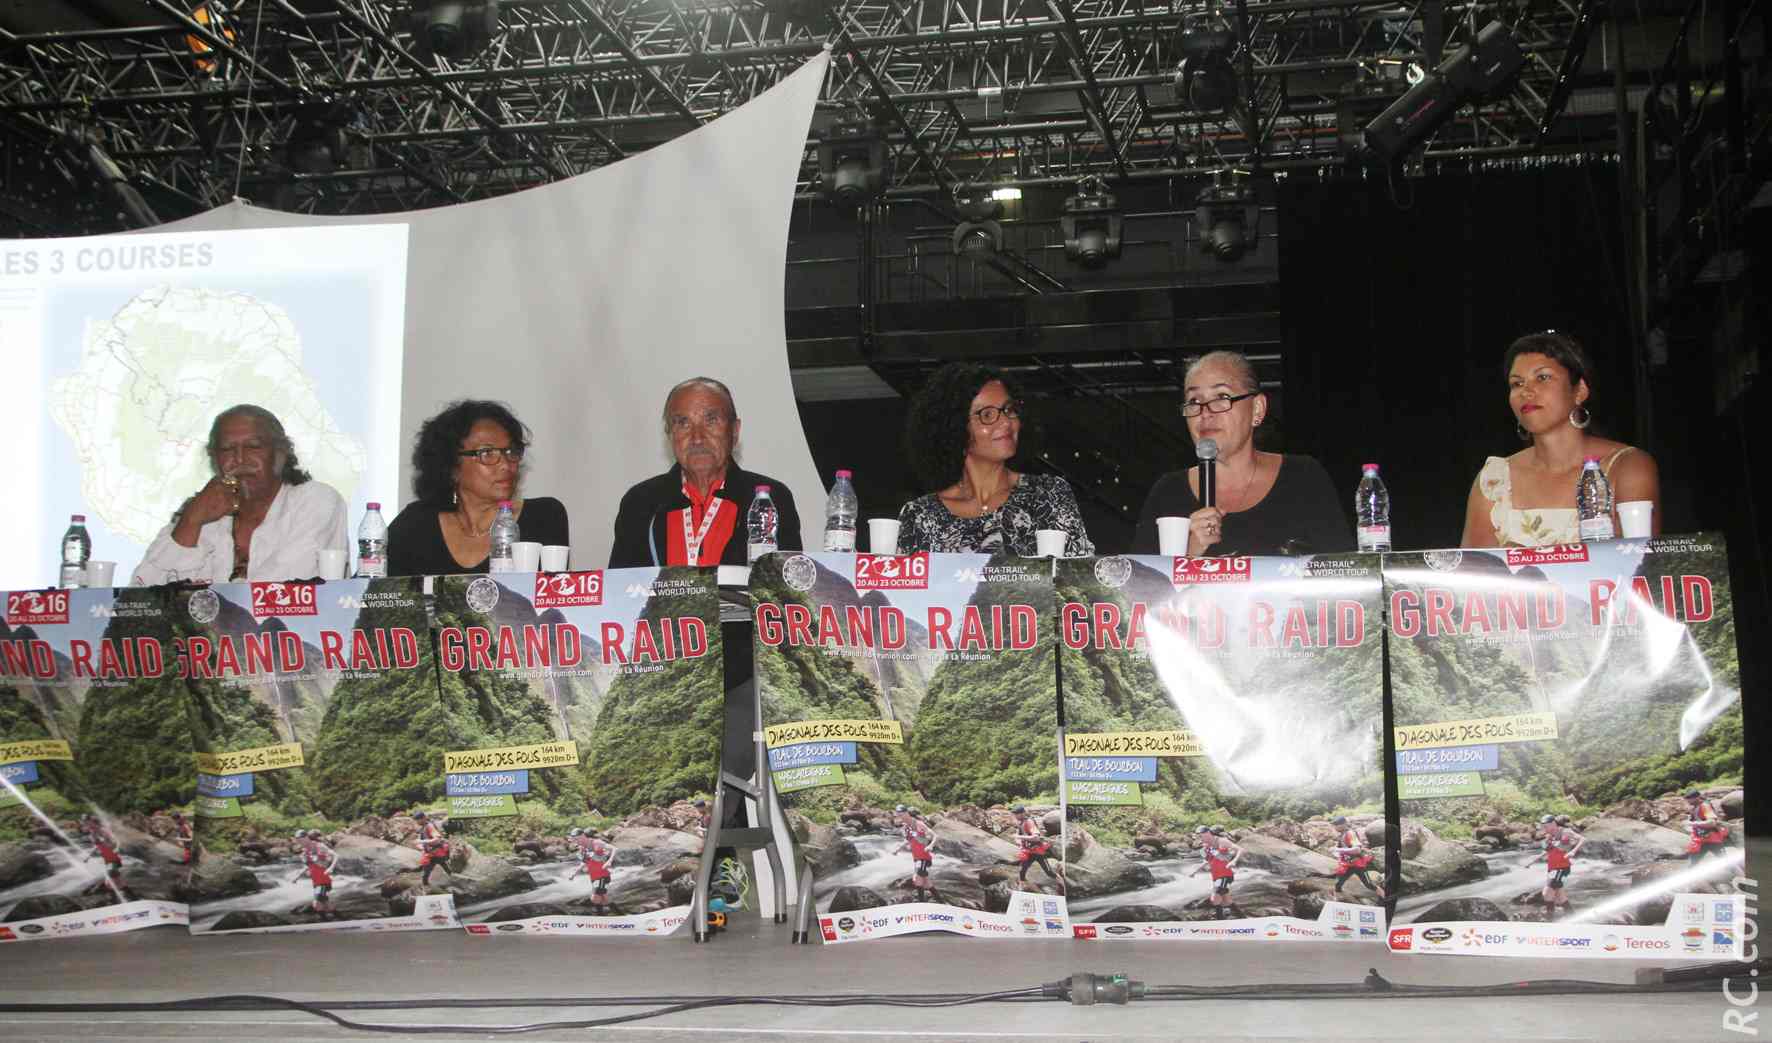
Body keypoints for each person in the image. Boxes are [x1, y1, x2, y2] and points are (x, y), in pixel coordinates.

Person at [1133, 351, 1349, 557]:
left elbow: (1343, 574)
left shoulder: (1303, 478)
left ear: (1257, 409)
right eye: (1194, 402)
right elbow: (1136, 588)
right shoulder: (1168, 493)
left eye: (1222, 396)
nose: (1205, 412)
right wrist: (1188, 553)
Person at [1462, 331, 1661, 547]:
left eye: (1543, 377)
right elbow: (1472, 575)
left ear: (1580, 391)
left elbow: (1639, 567)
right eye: (1517, 384)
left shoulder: (1627, 467)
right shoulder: (1494, 480)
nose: (1526, 391)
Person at [132, 405, 349, 584]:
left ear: (281, 453)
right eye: (227, 449)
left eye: (253, 447)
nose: (239, 459)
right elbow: (142, 601)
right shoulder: (201, 513)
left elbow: (282, 588)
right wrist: (191, 521)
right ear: (214, 459)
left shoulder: (316, 501)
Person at [896, 364, 1093, 556]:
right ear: (954, 428)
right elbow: (901, 588)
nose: (1006, 421)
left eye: (1009, 409)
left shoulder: (1049, 495)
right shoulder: (920, 516)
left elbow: (1082, 581)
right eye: (987, 414)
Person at [608, 377, 802, 567]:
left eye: (711, 420)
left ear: (734, 431)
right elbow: (620, 591)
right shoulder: (640, 502)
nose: (697, 438)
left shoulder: (771, 499)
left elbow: (785, 589)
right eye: (683, 423)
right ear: (670, 435)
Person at [388, 401, 569, 576]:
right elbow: (364, 597)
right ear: (451, 466)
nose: (506, 465)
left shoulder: (544, 517)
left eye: (511, 451)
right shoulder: (416, 524)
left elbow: (555, 601)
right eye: (487, 453)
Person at [1523, 814, 1584, 917]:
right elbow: (1546, 851)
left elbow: (1582, 839)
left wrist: (1573, 851)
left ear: (1553, 823)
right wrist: (1532, 861)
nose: (1544, 828)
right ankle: (1571, 915)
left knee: (1547, 893)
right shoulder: (1549, 836)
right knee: (1560, 896)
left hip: (1562, 867)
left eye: (1546, 826)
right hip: (1552, 868)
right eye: (1543, 826)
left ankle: (1550, 917)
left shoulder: (1566, 831)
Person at [1190, 825, 1242, 919]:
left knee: (1215, 899)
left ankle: (1220, 921)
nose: (1200, 838)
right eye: (1199, 836)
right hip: (1216, 876)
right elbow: (1207, 861)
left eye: (1202, 835)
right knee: (1226, 900)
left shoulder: (1221, 841)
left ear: (1208, 833)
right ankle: (1242, 918)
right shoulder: (1206, 847)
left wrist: (1233, 861)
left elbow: (1240, 849)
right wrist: (1195, 871)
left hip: (1226, 874)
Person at [1010, 804, 1064, 894]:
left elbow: (1036, 838)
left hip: (1038, 852)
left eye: (1017, 814)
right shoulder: (1021, 824)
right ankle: (1023, 890)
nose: (1015, 816)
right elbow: (1020, 838)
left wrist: (1018, 836)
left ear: (1023, 813)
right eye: (1015, 814)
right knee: (1022, 872)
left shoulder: (1029, 822)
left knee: (1049, 872)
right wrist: (1019, 841)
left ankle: (1063, 887)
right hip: (1028, 852)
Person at [1329, 816, 1385, 901]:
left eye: (1336, 825)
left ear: (1343, 824)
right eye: (1334, 825)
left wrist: (1337, 849)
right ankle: (1337, 901)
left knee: (1369, 884)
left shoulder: (1350, 833)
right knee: (1337, 884)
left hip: (1358, 865)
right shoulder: (1342, 835)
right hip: (1347, 865)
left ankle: (1385, 898)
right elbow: (1343, 849)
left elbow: (1357, 850)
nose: (1335, 827)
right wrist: (1336, 850)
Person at [79, 813, 129, 899]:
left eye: (87, 822)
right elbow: (98, 845)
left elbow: (116, 840)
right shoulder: (92, 834)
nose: (86, 824)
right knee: (116, 877)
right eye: (84, 823)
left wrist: (117, 848)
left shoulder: (102, 830)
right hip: (106, 855)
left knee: (111, 875)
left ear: (91, 821)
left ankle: (114, 896)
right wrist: (88, 856)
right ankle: (126, 893)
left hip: (112, 854)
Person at [292, 829, 338, 920]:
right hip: (316, 881)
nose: (299, 842)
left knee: (316, 903)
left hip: (324, 879)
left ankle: (324, 921)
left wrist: (330, 868)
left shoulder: (319, 846)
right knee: (326, 903)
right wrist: (297, 877)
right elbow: (308, 866)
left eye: (300, 840)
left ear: (306, 837)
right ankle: (340, 918)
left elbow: (336, 855)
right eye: (298, 840)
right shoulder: (305, 851)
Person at [894, 806, 938, 901]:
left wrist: (930, 846)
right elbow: (908, 840)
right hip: (917, 858)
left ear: (906, 813)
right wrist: (898, 849)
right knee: (926, 883)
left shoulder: (919, 824)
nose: (900, 817)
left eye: (901, 815)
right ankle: (941, 901)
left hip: (924, 857)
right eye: (898, 816)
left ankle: (921, 904)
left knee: (917, 881)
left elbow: (935, 835)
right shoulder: (906, 827)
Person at [569, 828, 618, 912]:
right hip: (593, 877)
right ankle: (620, 916)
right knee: (604, 898)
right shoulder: (582, 848)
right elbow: (584, 862)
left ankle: (600, 918)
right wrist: (574, 873)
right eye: (574, 839)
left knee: (595, 898)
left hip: (603, 875)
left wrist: (609, 861)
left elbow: (614, 849)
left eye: (577, 838)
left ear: (583, 836)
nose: (576, 841)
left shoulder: (596, 842)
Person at [1684, 791, 1731, 869]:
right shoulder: (1695, 808)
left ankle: (1744, 878)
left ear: (1697, 798)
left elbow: (1712, 822)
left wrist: (1692, 823)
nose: (1688, 801)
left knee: (1727, 863)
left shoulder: (1705, 806)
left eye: (1689, 799)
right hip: (1702, 840)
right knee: (1693, 863)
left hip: (1712, 839)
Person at [412, 810, 452, 889]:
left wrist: (421, 841)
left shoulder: (429, 826)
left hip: (437, 854)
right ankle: (426, 887)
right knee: (427, 873)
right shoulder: (423, 828)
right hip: (432, 854)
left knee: (445, 869)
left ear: (423, 818)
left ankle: (425, 887)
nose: (416, 822)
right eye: (416, 820)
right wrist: (420, 846)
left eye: (418, 819)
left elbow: (437, 839)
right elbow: (425, 842)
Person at [171, 810, 199, 889]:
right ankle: (189, 883)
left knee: (190, 866)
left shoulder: (186, 826)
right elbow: (181, 837)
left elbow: (192, 839)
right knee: (189, 866)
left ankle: (189, 885)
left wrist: (180, 839)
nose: (175, 821)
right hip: (187, 849)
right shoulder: (179, 826)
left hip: (192, 848)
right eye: (174, 820)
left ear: (178, 818)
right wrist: (180, 841)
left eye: (175, 819)